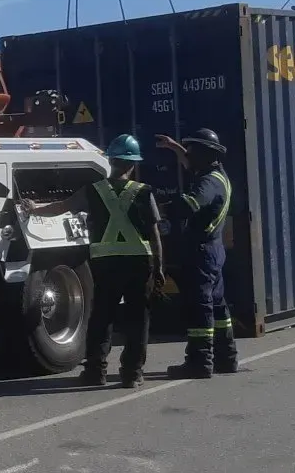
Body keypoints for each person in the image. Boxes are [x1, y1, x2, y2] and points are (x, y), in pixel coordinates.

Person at [21, 133, 165, 387]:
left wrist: (33, 208)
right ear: (133, 164)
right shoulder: (144, 192)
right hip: (140, 264)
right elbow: (155, 234)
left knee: (102, 317)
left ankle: (95, 371)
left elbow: (61, 207)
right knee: (138, 320)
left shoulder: (93, 191)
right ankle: (133, 373)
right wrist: (160, 268)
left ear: (110, 161)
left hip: (106, 264)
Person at [153, 128, 237, 379]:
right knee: (217, 305)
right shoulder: (216, 175)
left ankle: (200, 361)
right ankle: (227, 357)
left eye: (192, 150)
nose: (188, 154)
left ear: (205, 154)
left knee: (200, 306)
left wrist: (158, 209)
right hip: (213, 250)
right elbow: (190, 164)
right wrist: (173, 147)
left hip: (202, 252)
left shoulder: (208, 182)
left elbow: (188, 205)